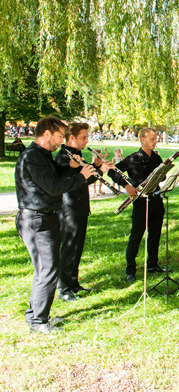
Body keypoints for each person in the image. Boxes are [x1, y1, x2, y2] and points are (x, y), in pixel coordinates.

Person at [15, 116, 96, 333]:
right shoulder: (33, 157)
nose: (61, 141)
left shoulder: (43, 156)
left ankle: (36, 314)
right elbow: (53, 186)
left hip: (45, 217)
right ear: (47, 133)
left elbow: (55, 178)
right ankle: (39, 321)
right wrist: (80, 176)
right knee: (48, 269)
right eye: (60, 136)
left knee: (45, 269)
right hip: (36, 220)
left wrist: (72, 169)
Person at [54, 123, 110, 302]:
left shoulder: (77, 155)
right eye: (83, 137)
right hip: (68, 207)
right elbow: (70, 180)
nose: (87, 141)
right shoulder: (64, 156)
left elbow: (87, 179)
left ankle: (73, 282)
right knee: (69, 247)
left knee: (77, 246)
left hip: (80, 207)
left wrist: (97, 166)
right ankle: (63, 288)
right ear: (72, 138)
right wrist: (95, 170)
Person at [109, 128, 167, 282]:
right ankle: (130, 270)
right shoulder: (133, 158)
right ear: (142, 139)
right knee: (136, 235)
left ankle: (152, 264)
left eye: (156, 138)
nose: (156, 141)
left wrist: (162, 173)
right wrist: (127, 185)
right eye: (152, 139)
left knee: (155, 234)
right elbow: (113, 172)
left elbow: (163, 176)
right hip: (141, 202)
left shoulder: (156, 158)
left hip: (156, 199)